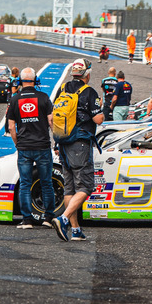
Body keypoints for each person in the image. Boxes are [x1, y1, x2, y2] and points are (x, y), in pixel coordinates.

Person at [52, 58, 103, 242]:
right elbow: (98, 120)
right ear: (87, 74)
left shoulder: (63, 89)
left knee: (69, 188)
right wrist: (101, 109)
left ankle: (75, 230)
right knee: (86, 186)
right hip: (80, 143)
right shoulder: (89, 92)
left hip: (63, 142)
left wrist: (56, 143)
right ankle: (63, 219)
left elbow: (53, 117)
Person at [6, 66, 55, 229]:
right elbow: (51, 121)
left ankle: (27, 220)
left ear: (20, 81)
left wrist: (17, 143)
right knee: (46, 183)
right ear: (35, 80)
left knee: (25, 184)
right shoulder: (43, 97)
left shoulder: (15, 99)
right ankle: (48, 218)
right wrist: (56, 141)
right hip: (42, 145)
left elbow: (11, 126)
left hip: (25, 146)